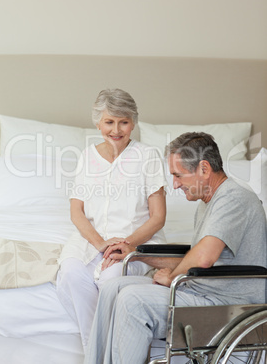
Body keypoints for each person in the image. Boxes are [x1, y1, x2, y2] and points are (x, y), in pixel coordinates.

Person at [84, 132, 267, 364]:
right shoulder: (208, 202)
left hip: (228, 303)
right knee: (113, 288)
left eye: (178, 175)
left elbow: (202, 258)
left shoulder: (234, 198)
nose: (175, 184)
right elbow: (192, 258)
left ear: (204, 169)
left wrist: (171, 277)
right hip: (202, 290)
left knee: (133, 300)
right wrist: (135, 254)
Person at [56, 88, 167, 347]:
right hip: (92, 239)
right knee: (71, 273)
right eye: (109, 122)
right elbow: (76, 211)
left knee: (110, 280)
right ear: (98, 123)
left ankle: (102, 351)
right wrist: (100, 244)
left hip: (137, 240)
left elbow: (158, 217)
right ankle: (100, 350)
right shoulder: (87, 157)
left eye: (124, 122)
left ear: (133, 123)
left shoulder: (147, 156)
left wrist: (125, 244)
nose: (116, 129)